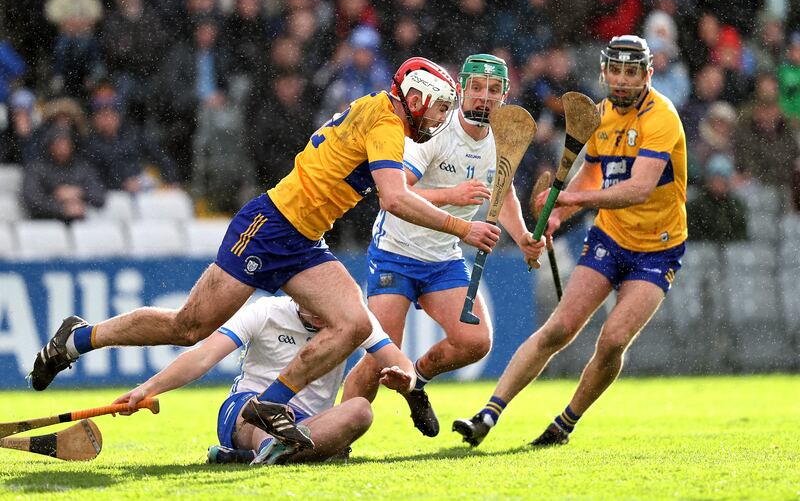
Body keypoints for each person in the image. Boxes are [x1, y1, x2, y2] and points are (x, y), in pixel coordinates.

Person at [30, 57, 501, 452]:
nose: (440, 117)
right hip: (269, 228)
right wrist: (464, 226)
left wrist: (413, 388)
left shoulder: (378, 110)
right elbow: (395, 199)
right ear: (414, 97)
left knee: (355, 323)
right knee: (188, 326)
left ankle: (271, 402)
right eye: (438, 106)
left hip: (304, 240)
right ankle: (80, 338)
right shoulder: (386, 122)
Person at [453, 35, 687, 448]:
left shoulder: (661, 117)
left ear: (648, 74)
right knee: (558, 329)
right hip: (610, 239)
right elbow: (592, 173)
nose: (622, 80)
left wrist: (572, 198)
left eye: (632, 72)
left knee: (613, 339)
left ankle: (565, 422)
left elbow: (639, 189)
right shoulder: (600, 115)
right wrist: (558, 214)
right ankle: (488, 413)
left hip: (658, 248)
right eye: (615, 70)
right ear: (603, 71)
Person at [341, 54, 543, 437]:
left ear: (505, 95)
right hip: (395, 253)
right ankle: (338, 439)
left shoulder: (502, 139)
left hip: (443, 259)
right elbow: (398, 189)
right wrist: (454, 194)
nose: (485, 97)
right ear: (463, 90)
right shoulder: (436, 128)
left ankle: (417, 380)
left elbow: (506, 195)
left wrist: (524, 240)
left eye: (494, 90)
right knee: (379, 359)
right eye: (478, 88)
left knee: (475, 341)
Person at [113, 295, 414, 465]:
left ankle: (253, 457)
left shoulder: (353, 317)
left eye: (329, 305)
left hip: (308, 423)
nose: (324, 314)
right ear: (299, 293)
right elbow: (203, 357)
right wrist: (147, 388)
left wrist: (406, 379)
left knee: (361, 409)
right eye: (316, 305)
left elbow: (399, 361)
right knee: (265, 414)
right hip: (248, 410)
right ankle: (271, 447)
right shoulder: (265, 311)